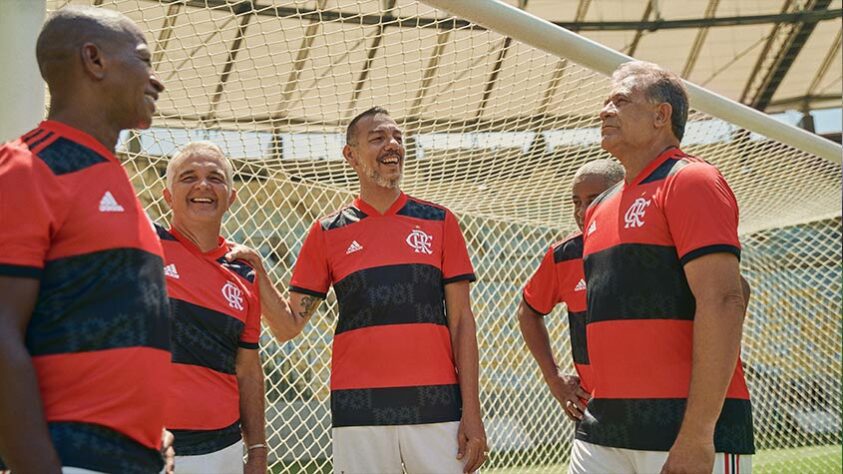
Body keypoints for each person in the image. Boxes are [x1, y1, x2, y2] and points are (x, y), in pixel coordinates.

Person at [0, 6, 172, 473]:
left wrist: (148, 435)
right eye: (143, 59)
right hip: (68, 457)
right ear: (94, 61)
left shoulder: (111, 175)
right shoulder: (28, 167)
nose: (156, 81)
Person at [278, 106, 487, 473]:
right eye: (377, 138)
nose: (392, 145)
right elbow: (290, 325)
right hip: (359, 408)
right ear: (351, 155)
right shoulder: (326, 232)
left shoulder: (440, 221)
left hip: (435, 403)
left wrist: (472, 412)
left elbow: (461, 322)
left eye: (397, 137)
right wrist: (258, 271)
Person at [573, 61, 755, 474]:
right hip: (604, 430)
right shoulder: (600, 207)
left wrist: (697, 434)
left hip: (678, 430)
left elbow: (726, 299)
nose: (605, 110)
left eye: (620, 100)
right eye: (605, 101)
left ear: (661, 115)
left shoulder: (691, 180)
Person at [156, 141, 268, 473]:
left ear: (231, 197)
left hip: (222, 450)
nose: (203, 185)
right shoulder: (142, 246)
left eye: (215, 178)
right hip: (145, 446)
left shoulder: (245, 273)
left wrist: (258, 450)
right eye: (188, 176)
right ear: (168, 195)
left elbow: (248, 369)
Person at [519, 159, 624, 423]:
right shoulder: (562, 255)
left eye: (594, 199)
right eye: (576, 201)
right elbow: (528, 312)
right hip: (592, 409)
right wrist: (554, 378)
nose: (582, 210)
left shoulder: (653, 244)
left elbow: (735, 290)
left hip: (659, 405)